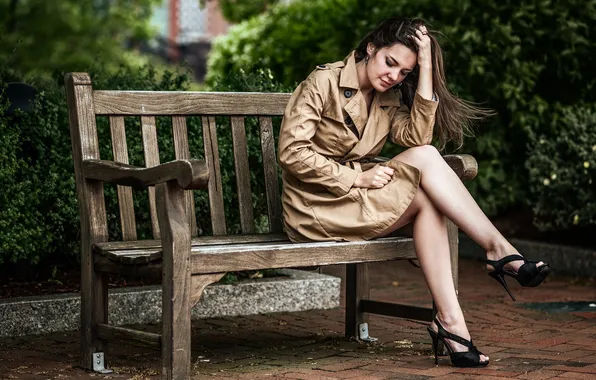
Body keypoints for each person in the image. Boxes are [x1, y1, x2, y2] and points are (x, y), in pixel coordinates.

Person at [277, 17, 551, 368]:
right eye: (390, 63)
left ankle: (454, 325)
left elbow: (418, 139)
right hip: (315, 207)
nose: (394, 76)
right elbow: (291, 152)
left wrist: (424, 72)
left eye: (404, 72)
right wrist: (355, 179)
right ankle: (495, 256)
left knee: (427, 185)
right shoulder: (323, 81)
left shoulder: (387, 97)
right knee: (427, 182)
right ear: (371, 48)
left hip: (355, 200)